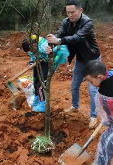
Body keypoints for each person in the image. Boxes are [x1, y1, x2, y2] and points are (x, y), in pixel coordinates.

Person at [45, 0, 101, 129]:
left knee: (93, 90)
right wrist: (51, 45)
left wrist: (58, 41)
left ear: (80, 11)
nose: (70, 15)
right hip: (80, 59)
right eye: (68, 13)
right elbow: (59, 34)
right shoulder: (66, 22)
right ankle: (75, 106)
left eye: (73, 12)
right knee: (74, 85)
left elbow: (77, 38)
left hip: (93, 60)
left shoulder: (88, 22)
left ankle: (93, 116)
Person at [22, 35, 69, 112]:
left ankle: (43, 105)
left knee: (41, 85)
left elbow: (51, 54)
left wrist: (43, 55)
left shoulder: (44, 46)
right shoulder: (34, 48)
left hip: (46, 65)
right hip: (39, 65)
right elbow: (33, 57)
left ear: (33, 45)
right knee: (36, 81)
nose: (30, 51)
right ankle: (37, 99)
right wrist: (31, 63)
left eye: (30, 49)